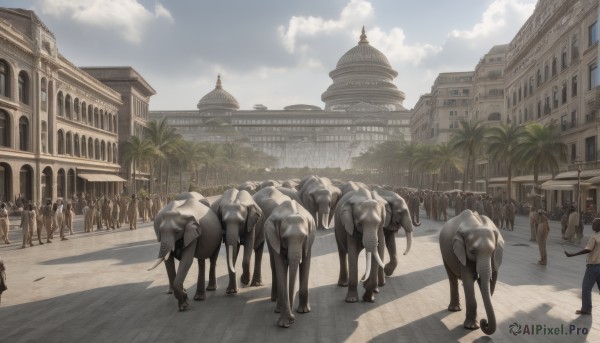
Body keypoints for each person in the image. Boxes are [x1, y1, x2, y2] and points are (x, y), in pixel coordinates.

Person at [565, 218, 600, 315]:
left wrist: (573, 254)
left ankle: (586, 308)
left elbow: (588, 250)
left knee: (586, 288)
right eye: (592, 223)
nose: (592, 225)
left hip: (593, 267)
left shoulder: (595, 237)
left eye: (595, 223)